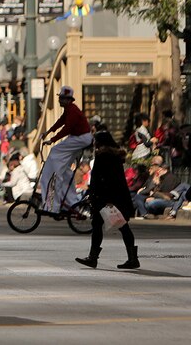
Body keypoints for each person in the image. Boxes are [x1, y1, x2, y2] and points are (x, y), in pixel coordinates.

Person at [75, 131, 138, 269]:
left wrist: (95, 195)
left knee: (101, 226)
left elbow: (101, 179)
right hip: (116, 196)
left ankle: (93, 258)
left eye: (96, 140)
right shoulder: (115, 156)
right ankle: (132, 258)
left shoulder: (103, 156)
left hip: (105, 198)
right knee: (120, 226)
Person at [38, 86, 94, 213]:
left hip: (79, 138)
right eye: (60, 98)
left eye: (63, 99)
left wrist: (52, 140)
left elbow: (67, 128)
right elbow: (60, 122)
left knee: (55, 153)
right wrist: (48, 132)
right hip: (80, 138)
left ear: (69, 100)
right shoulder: (69, 109)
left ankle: (52, 206)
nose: (60, 101)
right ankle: (70, 203)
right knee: (66, 172)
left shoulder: (73, 111)